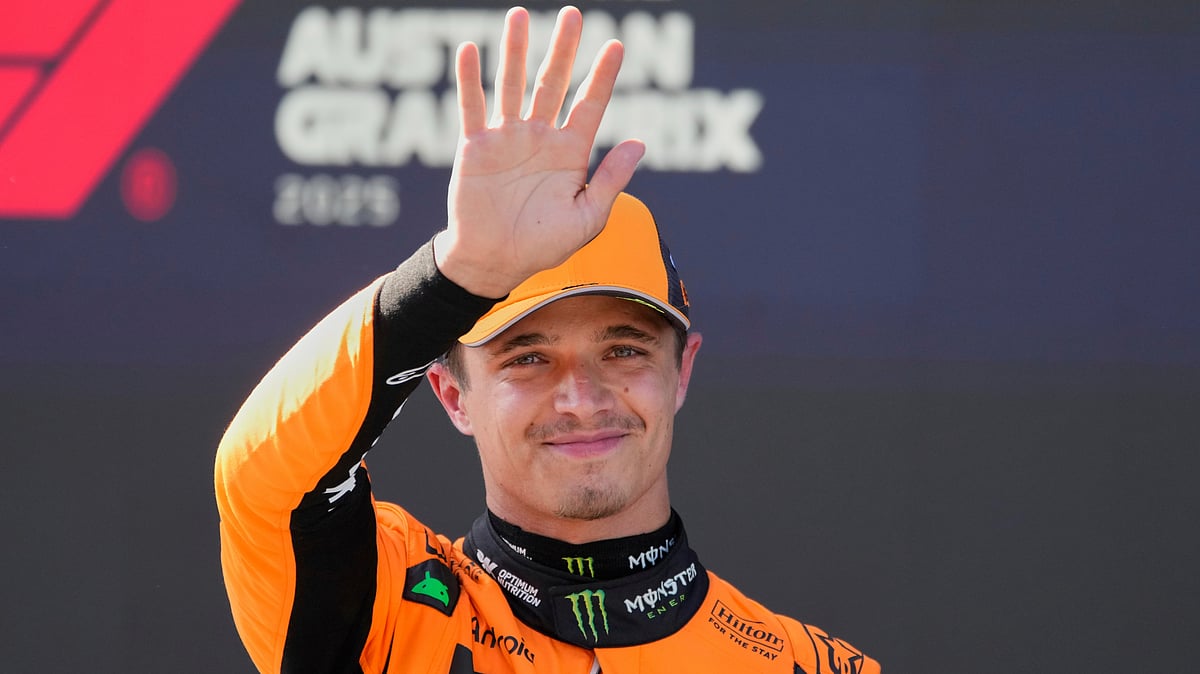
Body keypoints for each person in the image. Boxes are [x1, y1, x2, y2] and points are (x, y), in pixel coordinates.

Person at [215, 6, 880, 673]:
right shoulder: (388, 610)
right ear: (452, 394)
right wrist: (458, 276)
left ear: (682, 372)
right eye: (528, 358)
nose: (581, 399)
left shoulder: (808, 665)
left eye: (624, 351)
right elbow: (267, 483)